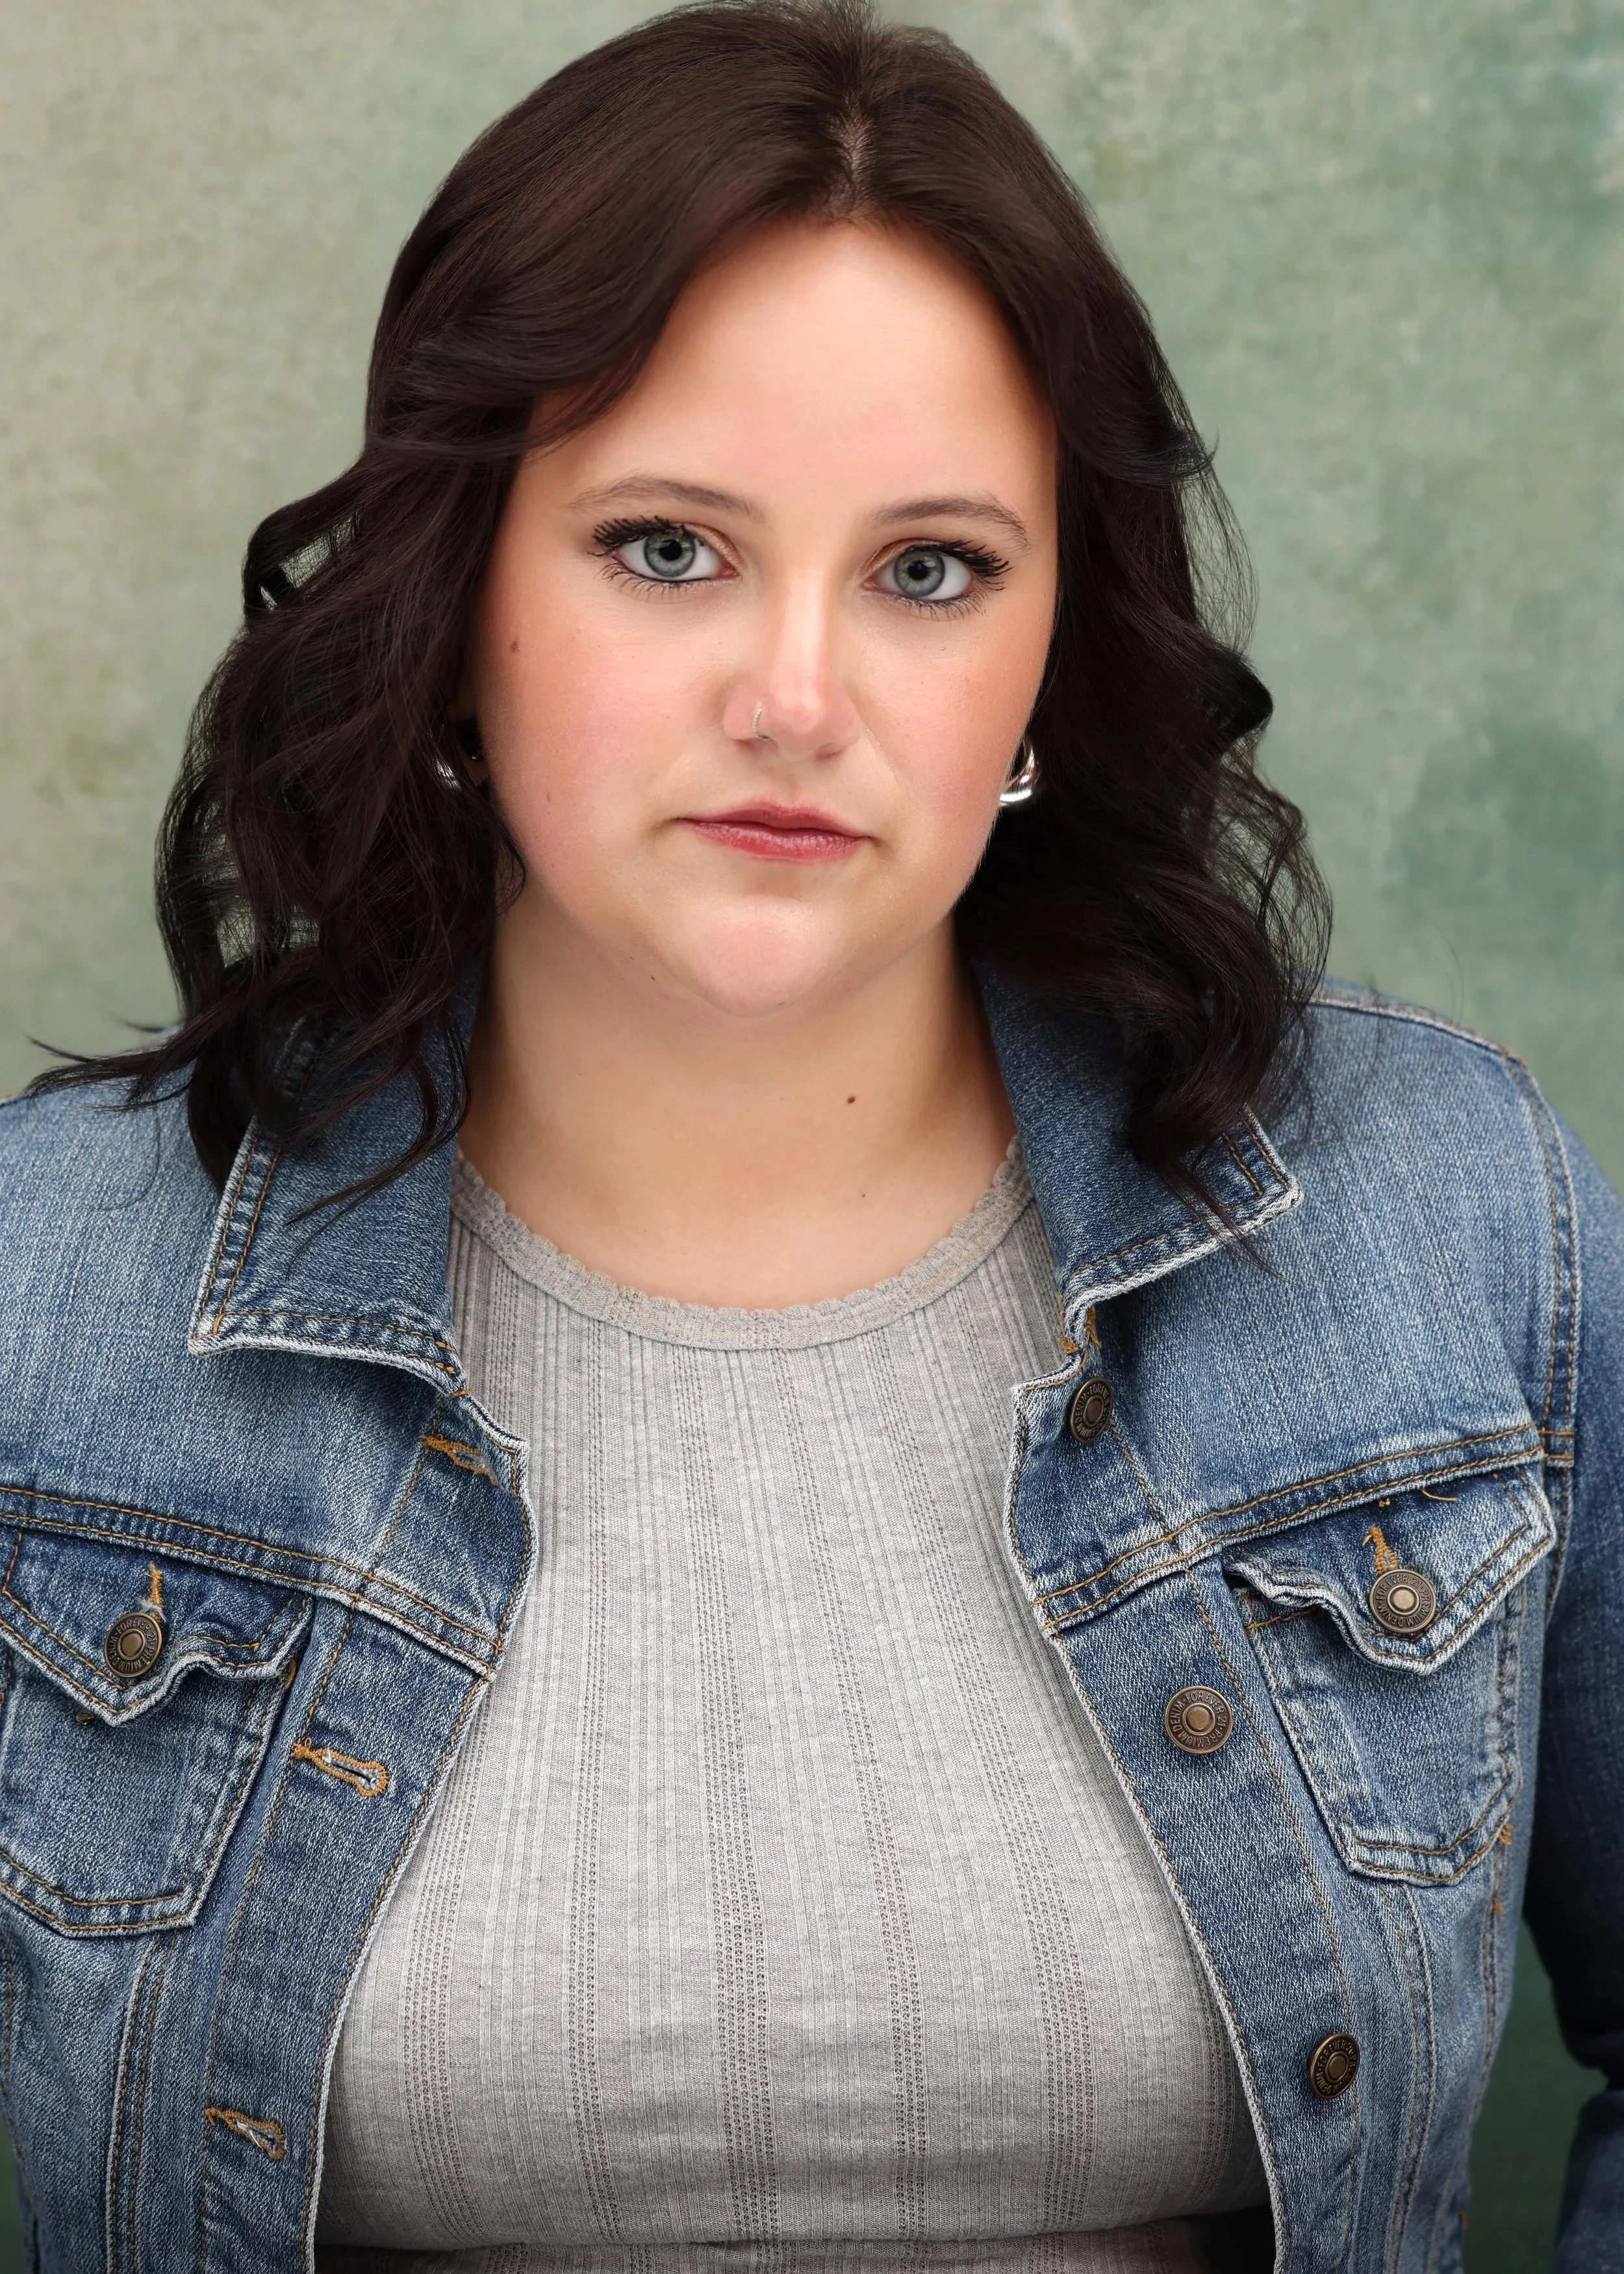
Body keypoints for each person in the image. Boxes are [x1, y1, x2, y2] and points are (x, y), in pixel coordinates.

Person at [0, 4, 1618, 2268]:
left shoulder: (1446, 1223)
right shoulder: (52, 1294)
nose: (795, 695)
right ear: (459, 599)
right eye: (666, 548)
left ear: (1053, 649)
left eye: (930, 568)